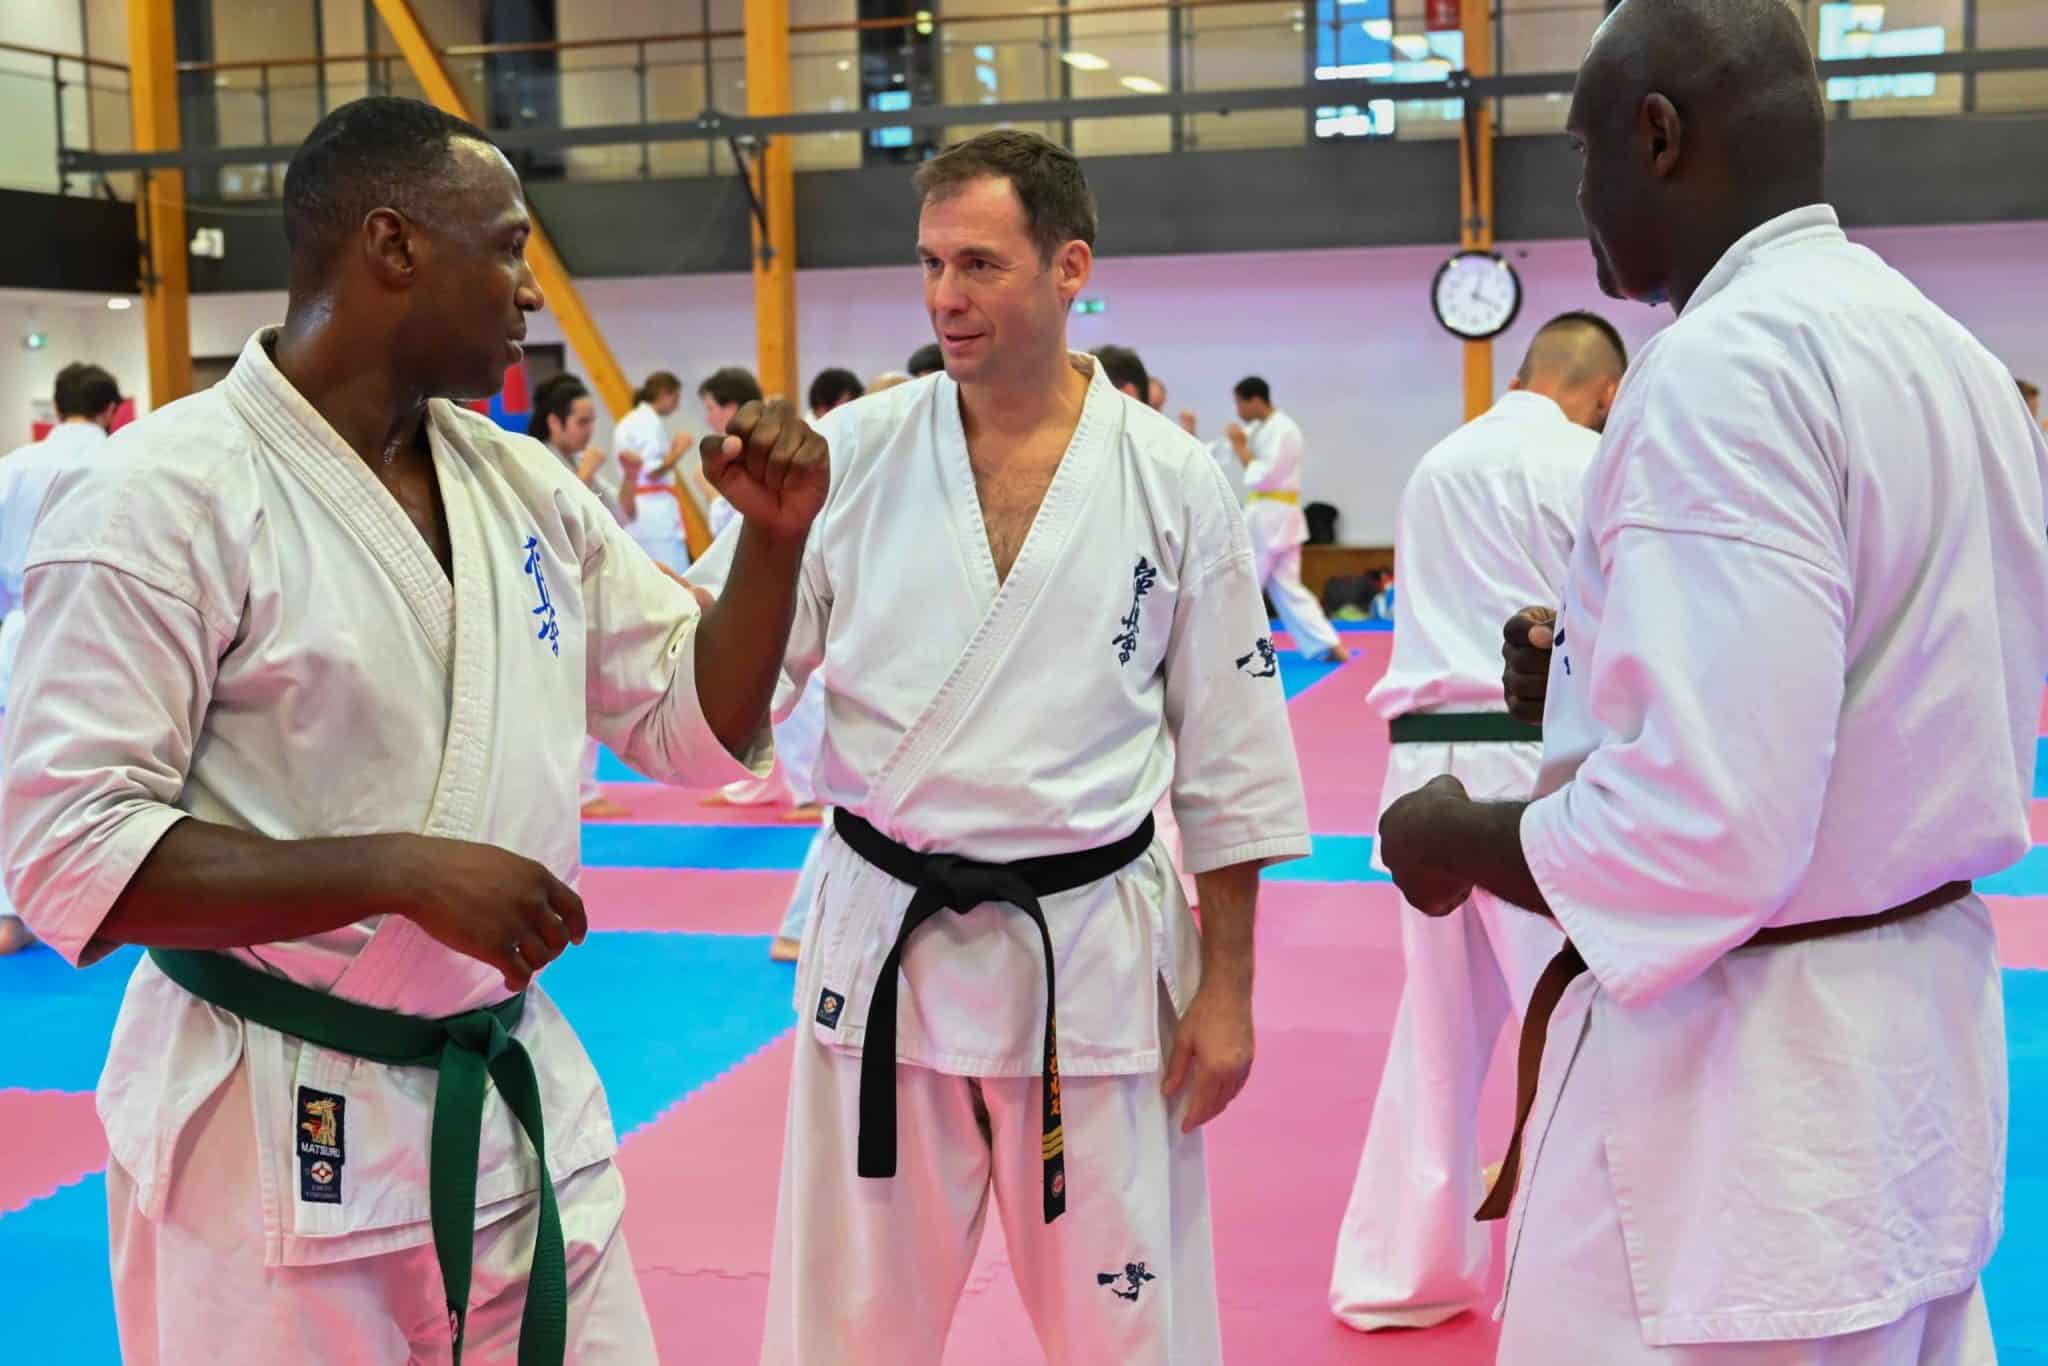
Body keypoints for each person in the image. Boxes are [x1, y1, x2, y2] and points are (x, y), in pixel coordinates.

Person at [0, 95, 828, 1364]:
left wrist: (770, 547)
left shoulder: (520, 483)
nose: (528, 292)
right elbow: (66, 851)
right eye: (505, 248)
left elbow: (687, 725)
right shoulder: (162, 497)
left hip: (511, 1103)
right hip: (268, 1129)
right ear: (392, 246)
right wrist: (397, 871)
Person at [1376, 3, 2047, 1360]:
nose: (1580, 199)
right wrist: (1587, 678)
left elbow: (1704, 825)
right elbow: (1886, 675)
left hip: (1740, 1111)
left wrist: (1457, 833)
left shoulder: (1724, 368)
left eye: (1582, 156)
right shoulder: (1950, 355)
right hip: (1910, 1060)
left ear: (1658, 135)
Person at [759, 129, 1309, 1366]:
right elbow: (726, 673)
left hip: (1092, 953)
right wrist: (748, 546)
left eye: (979, 265)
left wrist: (1227, 990)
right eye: (929, 264)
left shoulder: (1172, 476)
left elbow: (1230, 754)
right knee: (844, 1336)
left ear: (1069, 268)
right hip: (888, 950)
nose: (944, 297)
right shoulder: (851, 454)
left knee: (1130, 1329)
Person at [1328, 311, 1626, 1333]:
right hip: (1528, 761)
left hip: (1418, 769)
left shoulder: (1435, 465)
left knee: (1435, 1034)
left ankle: (1404, 1273)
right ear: (1604, 392)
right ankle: (1562, 1280)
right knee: (1567, 1020)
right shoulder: (1589, 462)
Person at [0, 360, 123, 957]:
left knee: (15, 779)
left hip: (22, 635)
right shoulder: (131, 458)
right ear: (110, 409)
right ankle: (102, 909)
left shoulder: (13, 468)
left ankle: (9, 915)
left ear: (57, 405)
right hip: (110, 638)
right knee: (107, 777)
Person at [528, 373, 634, 823]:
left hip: (584, 592)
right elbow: (545, 525)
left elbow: (622, 517)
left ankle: (581, 789)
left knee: (584, 694)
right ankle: (576, 791)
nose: (590, 430)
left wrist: (629, 476)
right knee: (564, 697)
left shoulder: (574, 462)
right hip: (547, 595)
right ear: (555, 422)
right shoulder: (533, 461)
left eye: (593, 421)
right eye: (582, 421)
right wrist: (584, 475)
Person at [1194, 377, 1348, 664]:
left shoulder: (1285, 430)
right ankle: (1329, 644)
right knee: (1286, 587)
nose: (1238, 410)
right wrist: (1191, 436)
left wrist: (1241, 447)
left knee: (1244, 583)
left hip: (1272, 517)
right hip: (1271, 518)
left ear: (1255, 400)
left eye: (1239, 403)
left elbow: (1262, 477)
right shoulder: (1258, 429)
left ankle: (1222, 650)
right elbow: (1217, 452)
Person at [609, 369, 695, 573]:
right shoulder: (646, 421)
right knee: (670, 574)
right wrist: (679, 450)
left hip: (643, 509)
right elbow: (651, 471)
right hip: (652, 512)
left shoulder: (636, 419)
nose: (677, 405)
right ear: (664, 393)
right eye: (676, 397)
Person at [698, 366, 766, 540]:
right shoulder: (761, 440)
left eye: (710, 408)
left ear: (730, 409)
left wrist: (709, 489)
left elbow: (731, 528)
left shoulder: (747, 450)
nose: (707, 418)